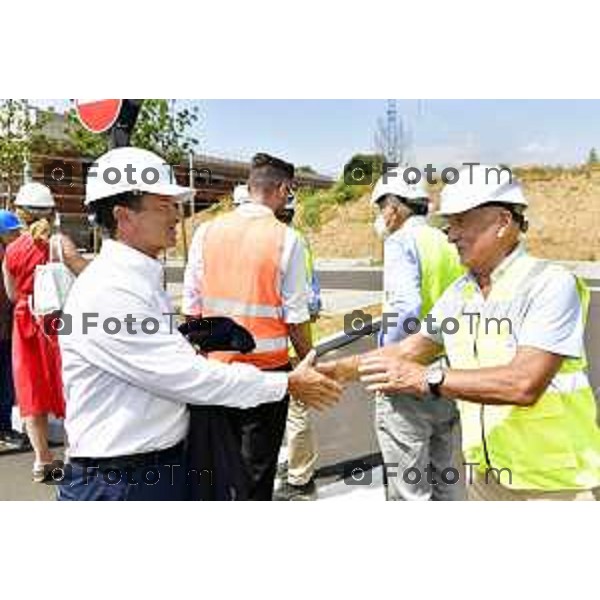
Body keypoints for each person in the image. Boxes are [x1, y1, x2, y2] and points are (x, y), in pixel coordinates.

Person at [57, 147, 340, 502]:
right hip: (122, 481)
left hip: (150, 467)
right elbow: (185, 377)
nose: (178, 216)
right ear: (123, 216)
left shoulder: (137, 277)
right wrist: (287, 383)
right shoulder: (112, 290)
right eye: (165, 206)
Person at [319, 164, 600, 501]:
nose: (451, 235)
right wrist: (335, 371)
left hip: (554, 485)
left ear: (502, 222)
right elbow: (408, 351)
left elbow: (524, 384)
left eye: (460, 221)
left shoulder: (549, 284)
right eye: (449, 224)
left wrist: (428, 379)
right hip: (485, 475)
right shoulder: (460, 293)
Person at [182, 153, 314, 500]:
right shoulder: (286, 239)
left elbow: (192, 308)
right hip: (266, 379)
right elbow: (296, 317)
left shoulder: (207, 231)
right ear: (283, 188)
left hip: (215, 374)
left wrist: (199, 358)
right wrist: (309, 363)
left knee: (214, 475)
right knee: (255, 479)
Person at [363, 168, 464, 501]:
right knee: (444, 474)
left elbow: (406, 305)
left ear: (394, 206)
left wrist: (388, 357)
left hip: (407, 375)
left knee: (409, 488)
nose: (381, 216)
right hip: (446, 370)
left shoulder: (401, 241)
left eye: (381, 207)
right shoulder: (445, 240)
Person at [2, 183, 86, 481]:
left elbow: (13, 295)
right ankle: (73, 454)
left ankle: (42, 461)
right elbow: (88, 278)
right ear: (51, 211)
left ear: (20, 213)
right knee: (70, 385)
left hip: (25, 322)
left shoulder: (11, 249)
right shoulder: (59, 243)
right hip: (57, 323)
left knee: (31, 389)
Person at [273, 192, 322, 501]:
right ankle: (296, 466)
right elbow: (313, 297)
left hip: (286, 343)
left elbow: (302, 300)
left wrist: (307, 354)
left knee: (295, 410)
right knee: (291, 411)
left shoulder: (285, 242)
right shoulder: (298, 241)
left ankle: (300, 476)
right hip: (288, 339)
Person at [0, 210, 27, 450]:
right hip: (4, 331)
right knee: (5, 383)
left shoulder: (9, 253)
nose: (17, 235)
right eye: (12, 232)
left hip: (6, 329)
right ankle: (4, 429)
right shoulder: (5, 256)